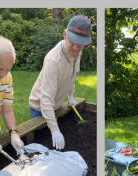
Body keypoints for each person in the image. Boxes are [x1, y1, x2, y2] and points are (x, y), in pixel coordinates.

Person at [29, 15, 92, 150]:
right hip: (41, 110)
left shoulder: (77, 53)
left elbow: (72, 75)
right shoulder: (53, 61)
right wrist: (55, 131)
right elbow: (45, 101)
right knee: (43, 150)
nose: (75, 47)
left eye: (80, 44)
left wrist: (70, 96)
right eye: (72, 41)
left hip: (55, 106)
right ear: (65, 34)